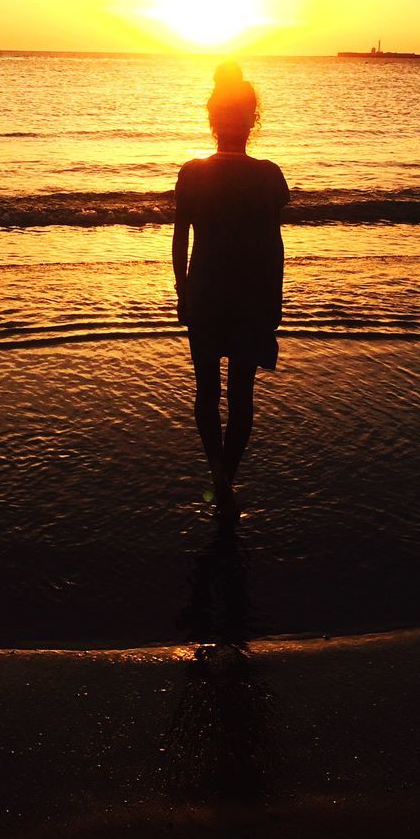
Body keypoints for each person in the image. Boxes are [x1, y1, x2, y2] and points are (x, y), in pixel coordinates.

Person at [172, 61, 290, 518]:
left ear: (212, 119)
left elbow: (180, 237)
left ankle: (217, 476)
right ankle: (227, 481)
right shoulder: (268, 175)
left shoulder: (193, 172)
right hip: (249, 299)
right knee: (241, 395)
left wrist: (182, 291)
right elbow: (273, 246)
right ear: (252, 120)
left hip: (205, 293)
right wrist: (273, 302)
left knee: (205, 392)